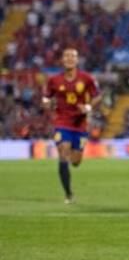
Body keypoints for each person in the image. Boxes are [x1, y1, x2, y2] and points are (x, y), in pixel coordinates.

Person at [42, 47, 100, 204]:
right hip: (62, 122)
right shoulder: (54, 80)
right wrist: (47, 103)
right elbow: (46, 98)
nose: (69, 58)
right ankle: (68, 194)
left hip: (80, 125)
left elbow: (97, 96)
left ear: (77, 60)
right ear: (62, 60)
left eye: (73, 56)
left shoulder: (87, 79)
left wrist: (88, 107)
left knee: (75, 161)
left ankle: (69, 185)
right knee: (63, 151)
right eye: (66, 56)